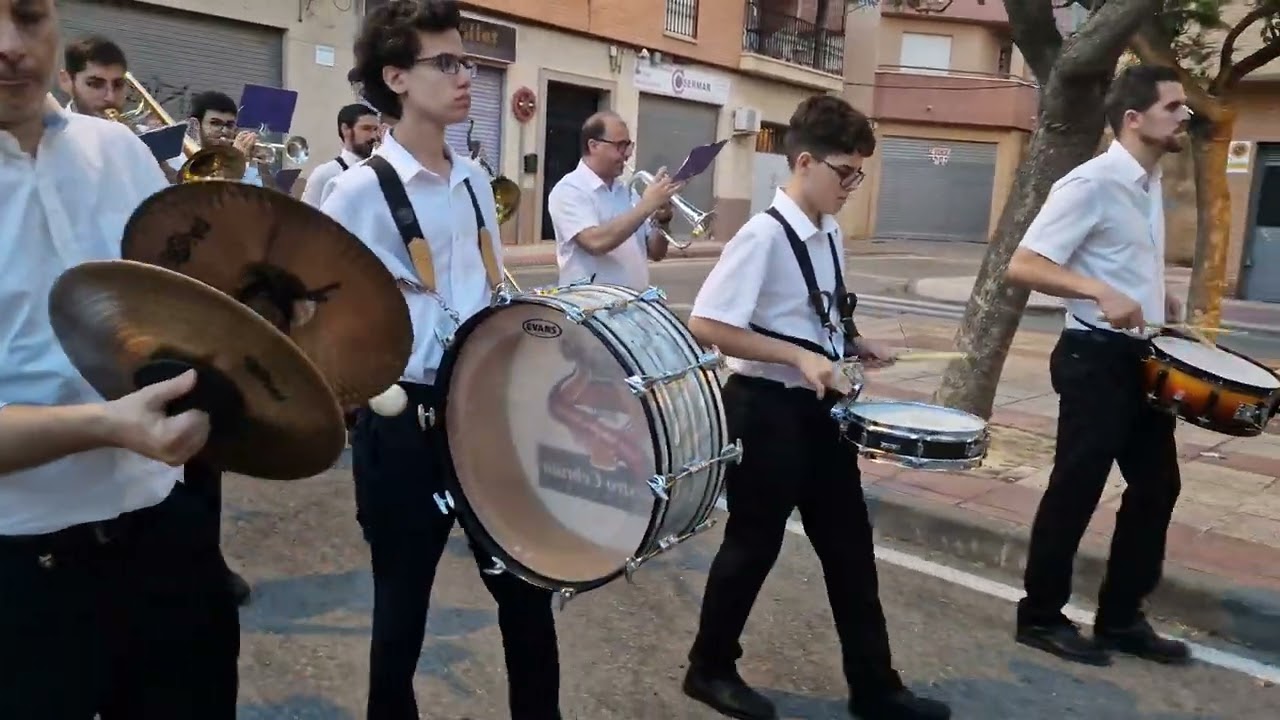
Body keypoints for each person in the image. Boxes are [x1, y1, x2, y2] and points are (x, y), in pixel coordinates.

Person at [319, 2, 561, 719]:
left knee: (526, 590)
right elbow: (321, 303)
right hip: (405, 421)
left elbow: (485, 285)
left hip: (482, 409)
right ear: (396, 77)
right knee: (402, 608)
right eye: (446, 64)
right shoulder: (357, 191)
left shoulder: (475, 180)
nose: (466, 77)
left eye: (467, 63)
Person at [0, 1, 239, 717]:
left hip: (164, 531)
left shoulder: (121, 152)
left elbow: (179, 311)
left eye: (28, 14)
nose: (11, 45)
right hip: (20, 565)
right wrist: (108, 425)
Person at [681, 94, 951, 720]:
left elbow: (818, 313)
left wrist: (852, 342)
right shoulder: (761, 236)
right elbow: (708, 323)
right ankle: (709, 667)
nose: (853, 185)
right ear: (804, 162)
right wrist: (796, 358)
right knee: (753, 546)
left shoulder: (827, 232)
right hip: (764, 408)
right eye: (846, 172)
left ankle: (876, 687)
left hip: (818, 413)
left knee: (851, 549)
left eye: (860, 173)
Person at [1005, 64, 1193, 667]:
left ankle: (1120, 618)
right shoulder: (1090, 183)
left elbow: (1124, 255)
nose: (1185, 116)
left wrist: (1157, 296)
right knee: (1077, 488)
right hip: (1094, 358)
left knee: (1158, 485)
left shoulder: (1147, 179)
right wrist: (1096, 291)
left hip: (1141, 358)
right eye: (1174, 107)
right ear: (1134, 120)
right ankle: (1039, 616)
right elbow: (1025, 264)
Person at [546, 110, 681, 288]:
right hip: (591, 308)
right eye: (620, 146)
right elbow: (595, 242)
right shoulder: (569, 189)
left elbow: (656, 253)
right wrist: (646, 206)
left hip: (634, 306)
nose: (628, 154)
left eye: (629, 145)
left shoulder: (627, 190)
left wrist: (663, 220)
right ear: (594, 146)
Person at [169, 89, 278, 190]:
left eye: (229, 125)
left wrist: (263, 170)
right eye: (215, 123)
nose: (225, 131)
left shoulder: (243, 162)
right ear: (196, 125)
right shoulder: (178, 161)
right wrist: (237, 159)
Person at [300, 102, 380, 207]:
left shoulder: (379, 171)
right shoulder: (324, 174)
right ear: (345, 129)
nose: (374, 136)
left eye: (375, 129)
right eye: (366, 129)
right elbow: (307, 218)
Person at [57, 34, 127, 117]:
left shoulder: (135, 130)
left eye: (118, 84)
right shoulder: (48, 129)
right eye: (95, 84)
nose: (110, 98)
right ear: (66, 81)